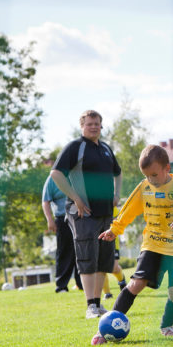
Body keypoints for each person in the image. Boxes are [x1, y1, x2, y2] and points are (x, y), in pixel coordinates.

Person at [91, 144, 173, 344]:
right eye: (147, 176)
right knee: (136, 283)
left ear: (167, 168)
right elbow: (128, 210)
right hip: (153, 243)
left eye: (154, 175)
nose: (151, 180)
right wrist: (114, 230)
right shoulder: (144, 187)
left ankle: (167, 326)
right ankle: (106, 328)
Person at [50, 110, 122, 318]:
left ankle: (98, 304)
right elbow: (56, 173)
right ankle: (90, 305)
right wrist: (76, 198)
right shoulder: (75, 147)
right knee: (87, 257)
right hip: (83, 213)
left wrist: (117, 194)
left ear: (101, 125)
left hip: (106, 213)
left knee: (103, 260)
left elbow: (118, 172)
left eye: (97, 124)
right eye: (90, 124)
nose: (94, 127)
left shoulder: (106, 149)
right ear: (82, 125)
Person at [42, 175, 83, 293]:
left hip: (79, 216)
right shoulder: (52, 178)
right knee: (64, 251)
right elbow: (45, 201)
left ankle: (81, 283)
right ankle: (61, 286)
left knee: (81, 250)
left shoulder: (75, 173)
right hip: (62, 218)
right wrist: (49, 220)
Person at [102, 205, 128, 299]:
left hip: (112, 240)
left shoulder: (112, 207)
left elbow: (117, 223)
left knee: (114, 268)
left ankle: (122, 281)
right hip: (97, 239)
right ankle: (107, 293)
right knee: (101, 267)